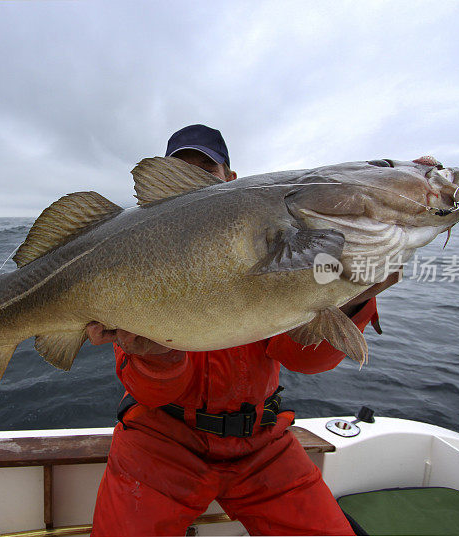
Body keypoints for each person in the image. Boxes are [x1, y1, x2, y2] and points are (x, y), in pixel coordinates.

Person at [86, 124, 398, 536]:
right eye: (181, 171)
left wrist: (351, 298)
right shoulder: (136, 259)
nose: (194, 180)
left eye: (206, 168)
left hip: (262, 444)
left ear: (229, 179)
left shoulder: (285, 243)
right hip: (160, 441)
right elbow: (149, 392)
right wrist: (155, 353)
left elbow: (304, 359)